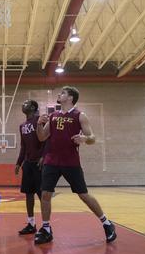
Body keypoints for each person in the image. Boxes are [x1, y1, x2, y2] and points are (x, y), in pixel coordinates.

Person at [36, 86, 116, 245]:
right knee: (45, 194)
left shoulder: (80, 116)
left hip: (70, 161)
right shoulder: (52, 116)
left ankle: (107, 223)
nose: (59, 94)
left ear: (71, 98)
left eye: (63, 93)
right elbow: (41, 137)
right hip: (51, 160)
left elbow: (92, 137)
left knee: (83, 195)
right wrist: (39, 124)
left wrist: (85, 139)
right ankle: (46, 229)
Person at [14, 100, 45, 235]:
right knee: (28, 194)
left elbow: (48, 140)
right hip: (27, 164)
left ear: (33, 107)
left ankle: (46, 226)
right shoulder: (22, 126)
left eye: (26, 103)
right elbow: (23, 146)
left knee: (42, 195)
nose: (23, 104)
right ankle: (31, 224)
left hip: (39, 163)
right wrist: (19, 162)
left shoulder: (40, 120)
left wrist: (44, 156)